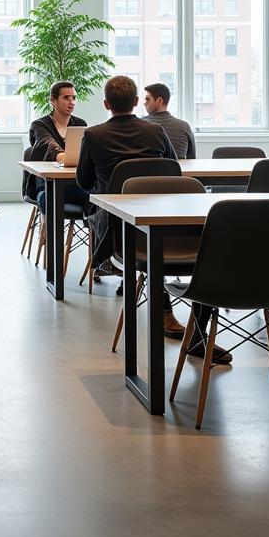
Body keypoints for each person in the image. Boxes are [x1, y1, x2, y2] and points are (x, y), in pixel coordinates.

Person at [77, 76, 231, 364]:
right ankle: (197, 334)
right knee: (205, 251)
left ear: (106, 104)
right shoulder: (156, 131)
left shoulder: (94, 135)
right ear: (136, 102)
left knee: (152, 249)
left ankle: (178, 324)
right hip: (165, 224)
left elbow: (84, 181)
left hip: (117, 228)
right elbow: (174, 171)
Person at [26, 80, 90, 211]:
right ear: (53, 100)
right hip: (47, 184)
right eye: (66, 98)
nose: (71, 102)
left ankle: (93, 230)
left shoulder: (80, 123)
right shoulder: (40, 125)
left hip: (74, 183)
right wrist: (63, 157)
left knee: (97, 199)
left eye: (74, 98)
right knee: (48, 200)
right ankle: (49, 232)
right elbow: (48, 144)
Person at [141, 82, 196, 160]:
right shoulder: (184, 126)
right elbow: (192, 159)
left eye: (147, 99)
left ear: (159, 101)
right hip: (177, 171)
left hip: (147, 171)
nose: (144, 103)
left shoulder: (140, 126)